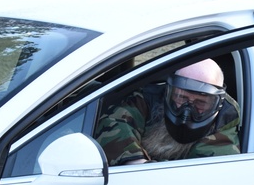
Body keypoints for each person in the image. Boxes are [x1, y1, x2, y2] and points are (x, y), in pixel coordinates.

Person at [95, 57, 240, 165]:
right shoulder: (148, 99)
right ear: (169, 91)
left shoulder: (225, 120)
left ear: (216, 104)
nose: (187, 110)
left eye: (200, 102)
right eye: (181, 98)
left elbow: (201, 173)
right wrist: (134, 161)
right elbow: (115, 122)